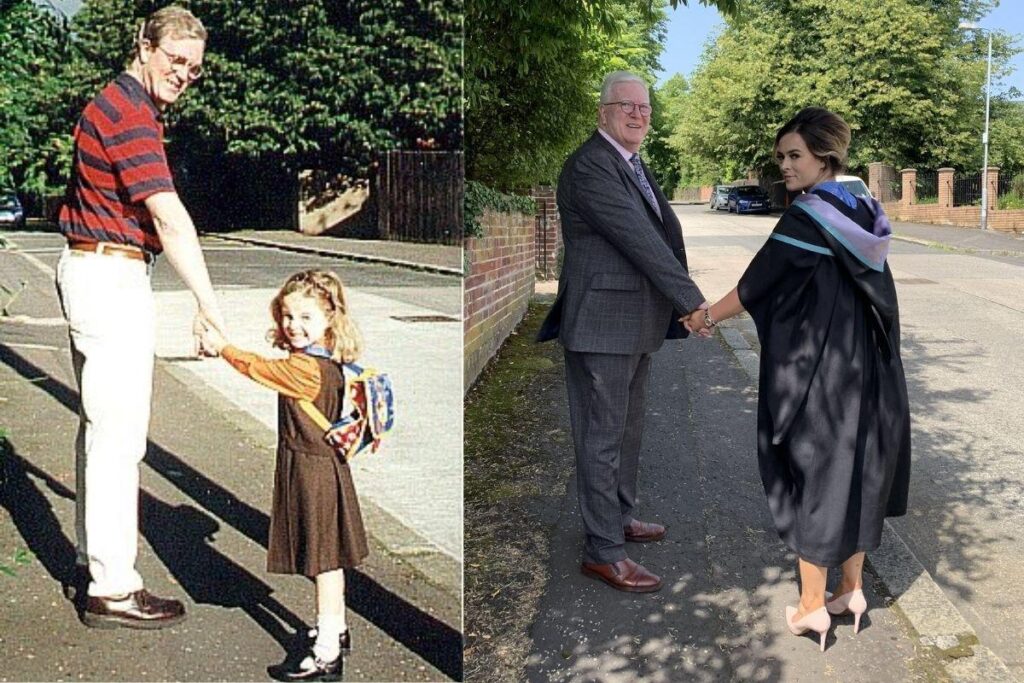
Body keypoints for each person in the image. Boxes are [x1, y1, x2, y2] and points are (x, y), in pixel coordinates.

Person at [685, 107, 911, 650]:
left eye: (794, 157)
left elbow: (757, 285)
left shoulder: (808, 218)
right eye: (781, 156)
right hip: (870, 369)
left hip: (822, 374)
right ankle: (850, 591)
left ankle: (812, 607)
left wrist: (704, 317)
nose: (783, 167)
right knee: (856, 474)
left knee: (816, 477)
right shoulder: (864, 210)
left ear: (824, 157)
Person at [55, 5, 226, 629]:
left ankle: (91, 560)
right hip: (109, 274)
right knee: (119, 436)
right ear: (144, 46)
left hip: (95, 268)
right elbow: (168, 216)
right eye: (175, 60)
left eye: (194, 68)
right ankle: (113, 588)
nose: (184, 74)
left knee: (100, 428)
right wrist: (209, 308)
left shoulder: (123, 105)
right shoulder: (129, 113)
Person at [536, 71, 708, 593]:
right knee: (601, 439)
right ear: (603, 112)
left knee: (627, 434)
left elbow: (657, 234)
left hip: (633, 324)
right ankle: (603, 550)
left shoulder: (629, 163)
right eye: (627, 105)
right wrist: (693, 303)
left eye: (646, 108)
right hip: (602, 326)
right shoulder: (591, 167)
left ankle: (619, 519)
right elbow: (641, 241)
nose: (639, 114)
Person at [199, 269, 369, 682]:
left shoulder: (307, 370)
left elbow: (259, 369)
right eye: (288, 316)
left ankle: (327, 652)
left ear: (330, 319)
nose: (294, 325)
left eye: (306, 317)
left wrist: (222, 347)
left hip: (312, 471)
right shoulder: (325, 357)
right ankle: (336, 628)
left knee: (323, 560)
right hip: (317, 465)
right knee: (324, 555)